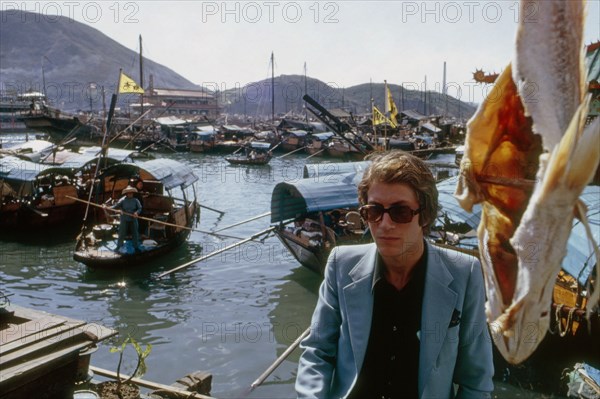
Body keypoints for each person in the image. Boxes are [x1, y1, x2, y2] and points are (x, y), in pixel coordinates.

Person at [295, 150, 494, 399]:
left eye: (400, 212)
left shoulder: (465, 273)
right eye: (374, 211)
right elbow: (318, 351)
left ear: (426, 215)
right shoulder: (341, 265)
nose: (385, 224)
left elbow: (476, 381)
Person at [108, 186, 142, 253]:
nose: (130, 194)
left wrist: (136, 212)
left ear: (133, 193)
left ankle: (136, 247)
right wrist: (107, 207)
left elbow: (140, 208)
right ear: (126, 194)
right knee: (121, 233)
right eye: (128, 193)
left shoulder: (136, 200)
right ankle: (118, 246)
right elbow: (115, 206)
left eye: (131, 193)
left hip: (133, 218)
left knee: (135, 233)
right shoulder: (122, 200)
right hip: (124, 218)